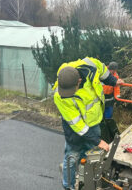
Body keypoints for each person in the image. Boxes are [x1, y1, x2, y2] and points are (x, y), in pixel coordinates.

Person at [53, 57, 124, 190]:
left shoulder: (91, 64)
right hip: (75, 130)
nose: (67, 95)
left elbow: (104, 71)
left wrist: (114, 81)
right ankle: (68, 186)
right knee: (72, 156)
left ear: (79, 82)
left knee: (91, 156)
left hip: (94, 123)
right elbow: (77, 125)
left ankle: (88, 182)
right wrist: (98, 141)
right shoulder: (60, 95)